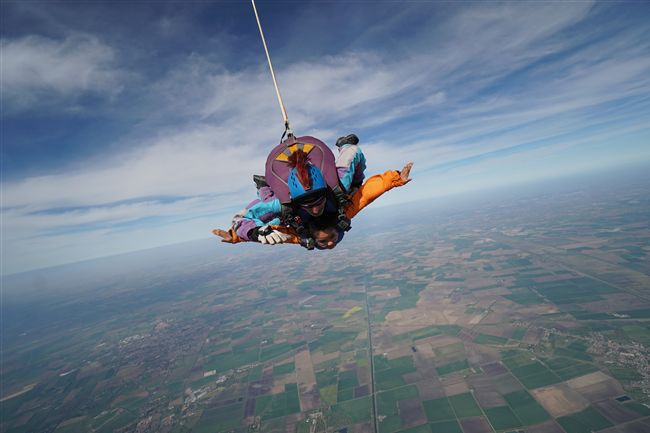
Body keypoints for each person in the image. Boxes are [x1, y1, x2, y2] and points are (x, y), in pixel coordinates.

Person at [213, 162, 413, 249]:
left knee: (274, 213)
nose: (330, 244)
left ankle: (264, 187)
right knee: (271, 205)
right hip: (291, 203)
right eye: (331, 238)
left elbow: (271, 235)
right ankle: (264, 187)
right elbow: (367, 194)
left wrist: (238, 236)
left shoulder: (299, 234)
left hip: (297, 207)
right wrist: (394, 180)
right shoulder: (344, 213)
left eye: (325, 241)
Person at [230, 134, 365, 248]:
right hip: (286, 192)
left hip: (304, 208)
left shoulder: (336, 187)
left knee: (278, 219)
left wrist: (254, 233)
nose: (315, 210)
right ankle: (263, 187)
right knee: (275, 215)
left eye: (319, 201)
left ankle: (265, 188)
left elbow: (352, 152)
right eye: (307, 204)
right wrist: (256, 231)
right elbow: (239, 219)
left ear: (326, 192)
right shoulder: (283, 204)